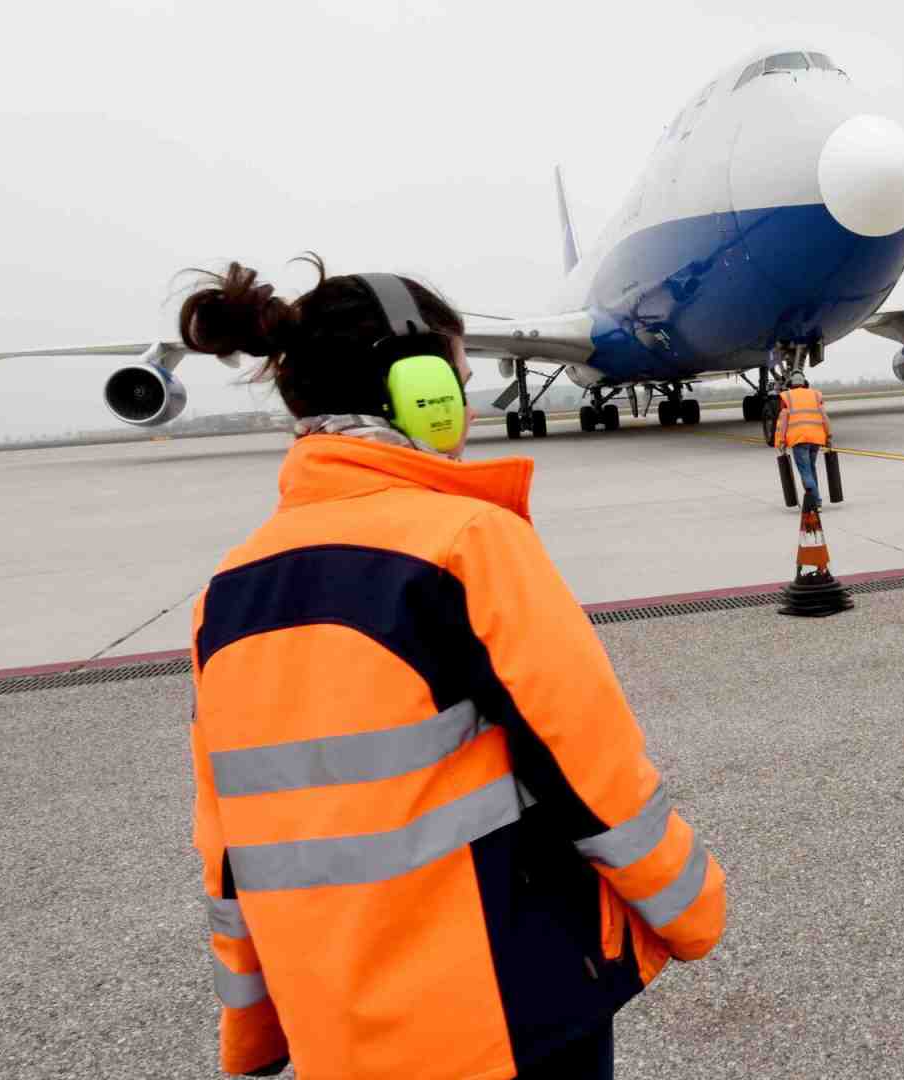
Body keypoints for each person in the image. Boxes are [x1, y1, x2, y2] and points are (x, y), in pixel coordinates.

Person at [179, 258, 726, 1080]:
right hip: (502, 1013)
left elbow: (227, 842)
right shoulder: (465, 543)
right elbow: (588, 760)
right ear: (419, 391)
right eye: (459, 381)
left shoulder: (227, 593)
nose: (466, 404)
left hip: (337, 1030)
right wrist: (692, 910)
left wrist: (254, 1025)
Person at [773, 369, 832, 509]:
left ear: (790, 383)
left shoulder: (786, 396)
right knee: (811, 469)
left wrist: (780, 441)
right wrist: (828, 436)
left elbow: (783, 421)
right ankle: (816, 500)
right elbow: (825, 417)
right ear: (805, 383)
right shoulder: (816, 395)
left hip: (799, 440)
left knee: (805, 472)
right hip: (816, 439)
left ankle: (816, 502)